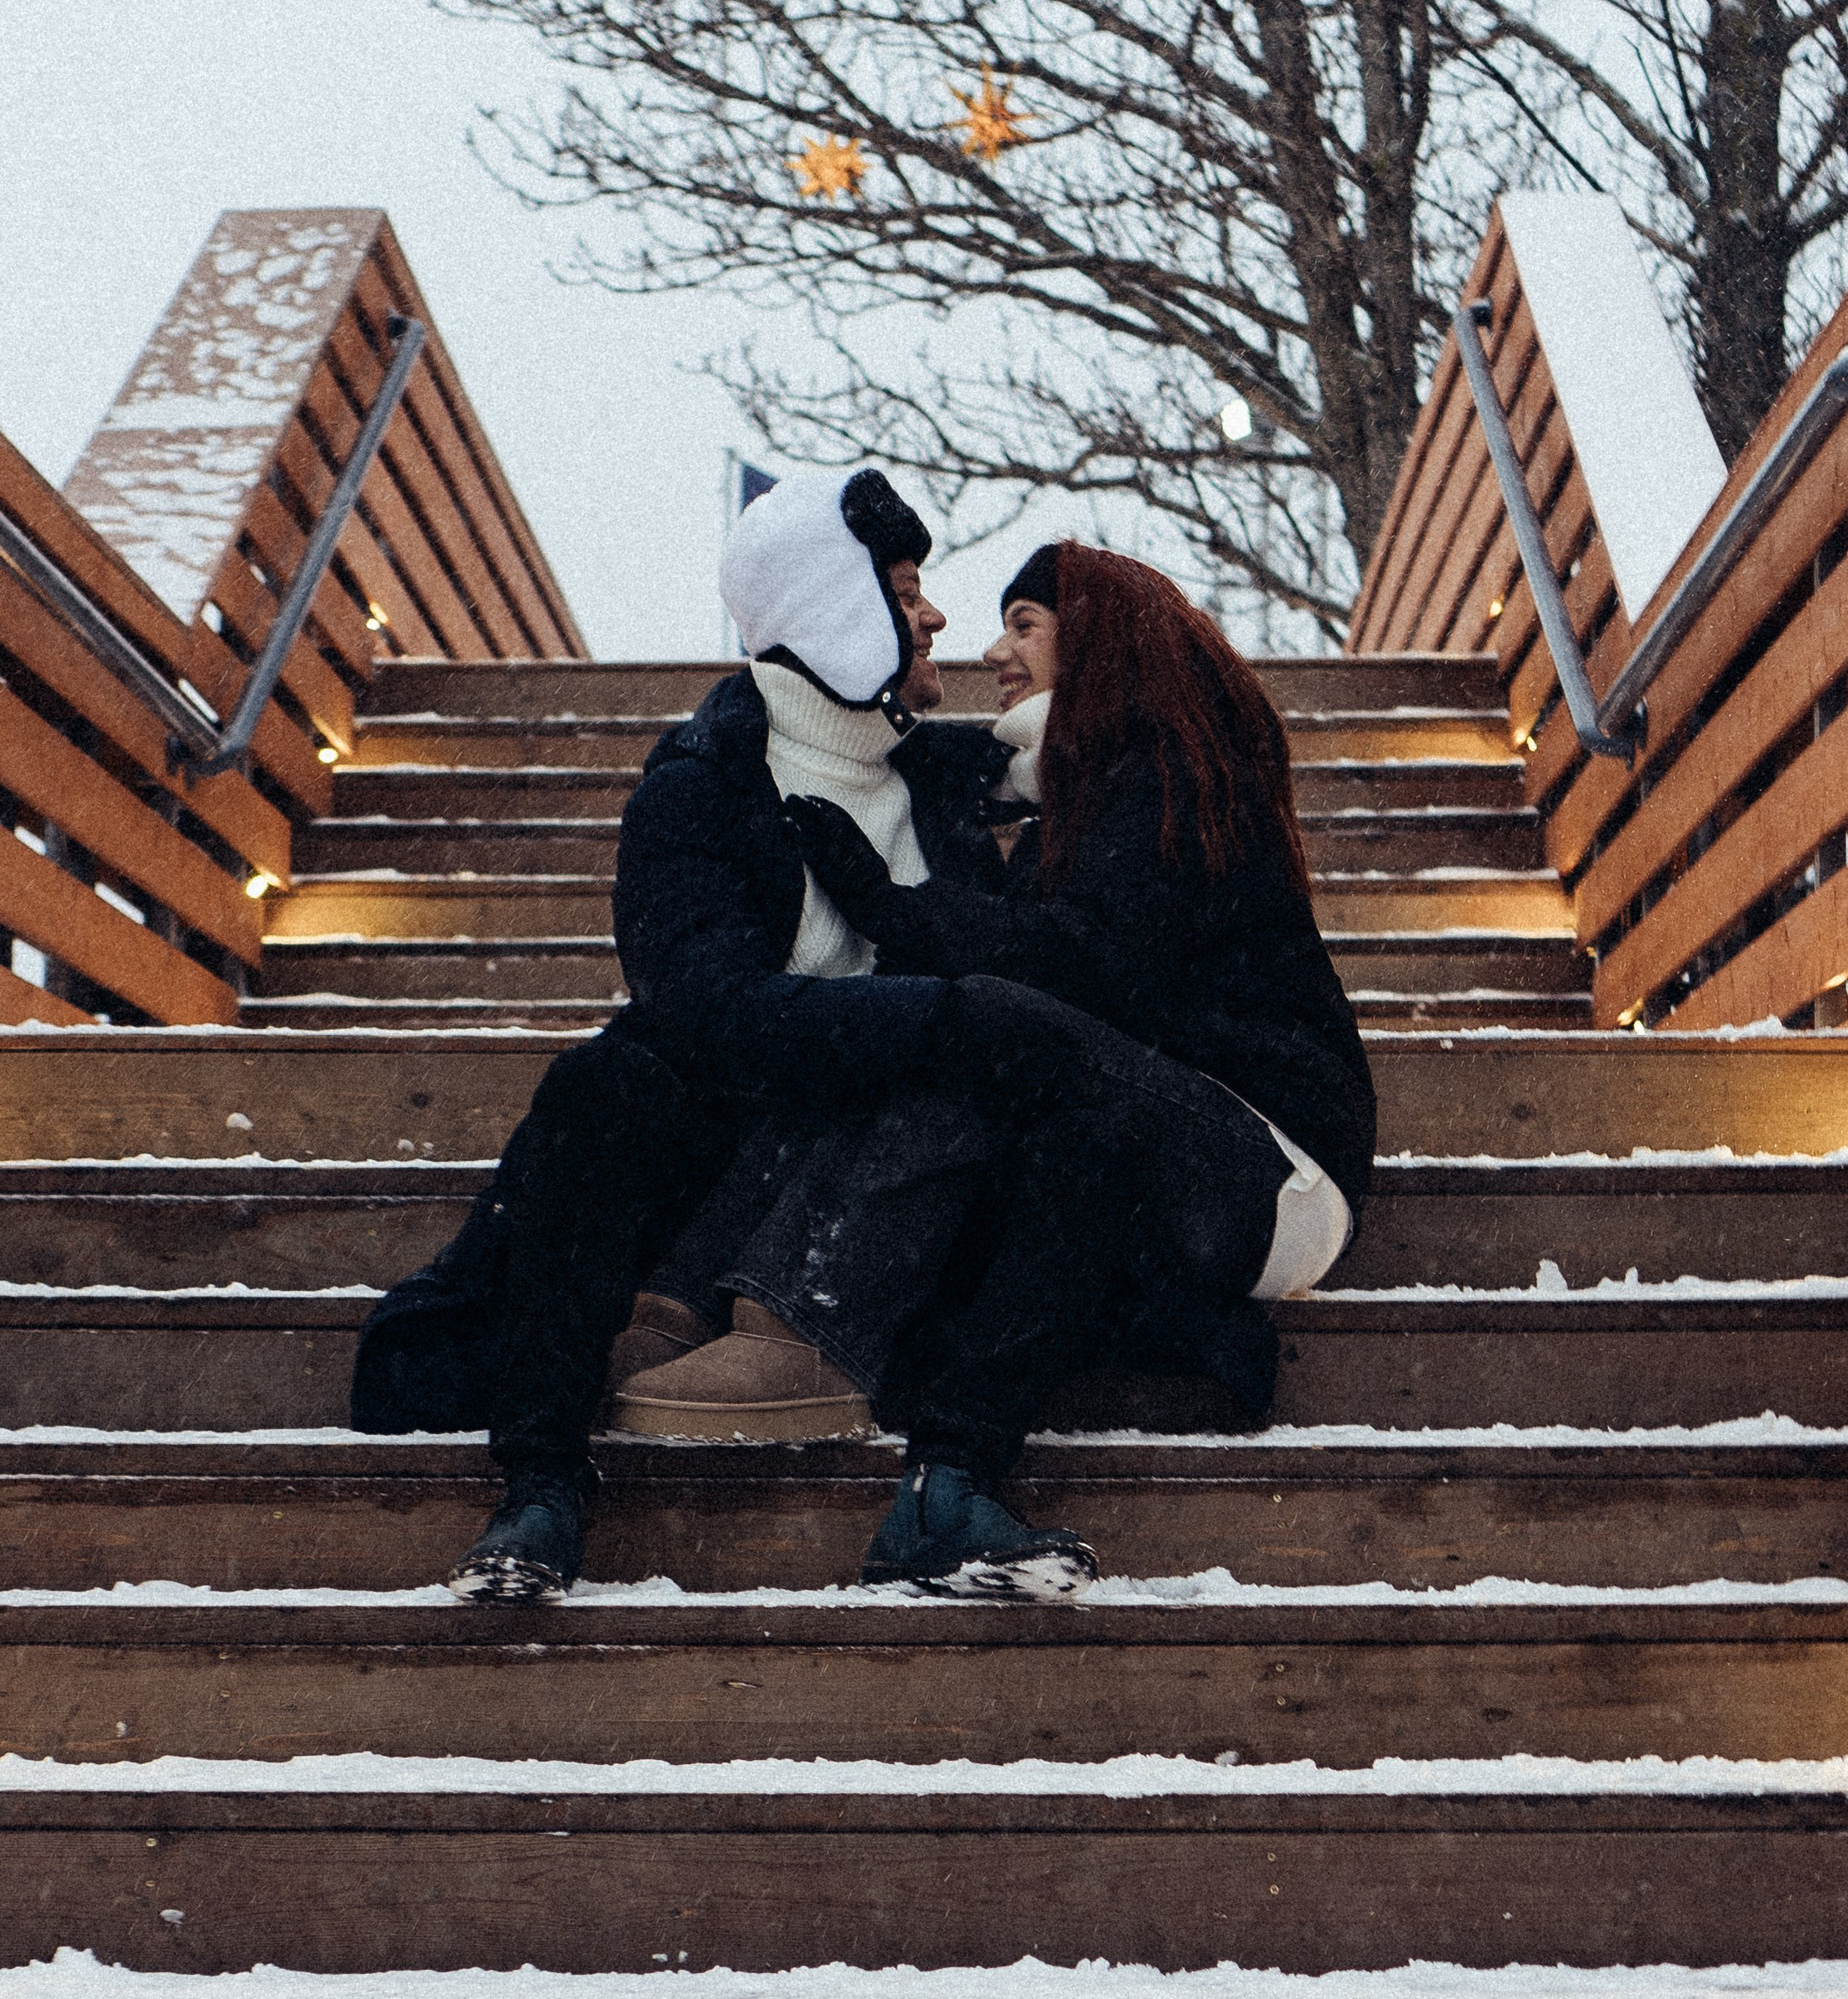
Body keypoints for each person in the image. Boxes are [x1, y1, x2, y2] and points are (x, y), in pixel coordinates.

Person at [606, 542, 1377, 1595]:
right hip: (1155, 1156)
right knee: (947, 1066)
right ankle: (923, 1475)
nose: (991, 650)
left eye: (1024, 623)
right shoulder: (1075, 790)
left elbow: (1083, 968)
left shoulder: (1174, 771)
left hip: (1267, 1159)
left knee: (961, 1021)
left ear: (1099, 635)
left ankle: (797, 1320)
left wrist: (884, 904)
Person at [350, 467, 1008, 1601]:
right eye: (904, 592)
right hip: (702, 1166)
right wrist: (946, 1017)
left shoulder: (950, 788)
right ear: (835, 613)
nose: (938, 615)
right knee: (604, 1085)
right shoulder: (699, 790)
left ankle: (947, 1470)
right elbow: (713, 1012)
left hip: (879, 1186)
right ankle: (543, 1486)